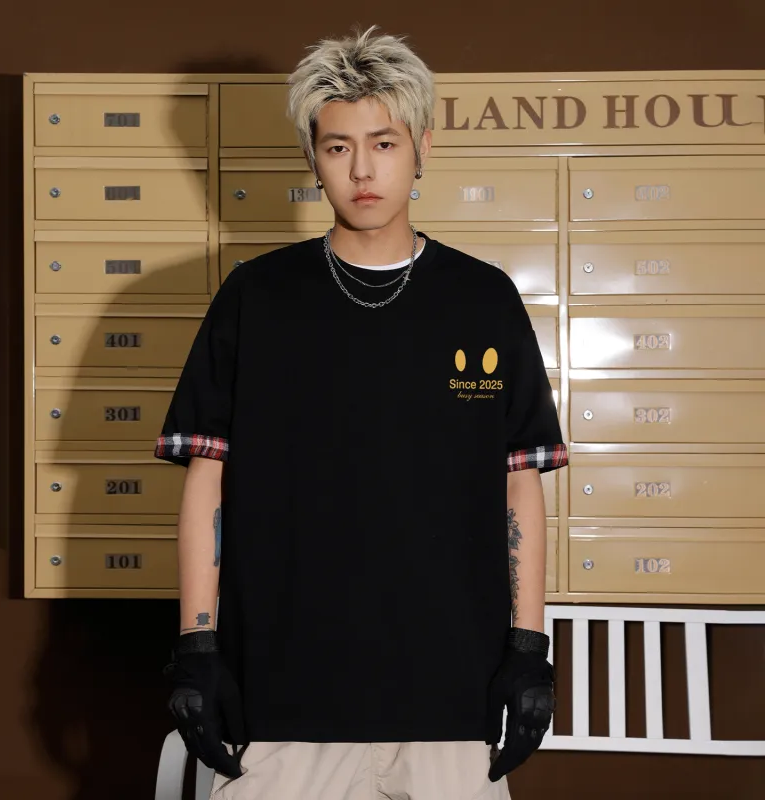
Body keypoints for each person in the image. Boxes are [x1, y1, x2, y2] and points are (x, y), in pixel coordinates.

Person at [156, 24, 567, 800]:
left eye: (384, 143)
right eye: (338, 147)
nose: (363, 169)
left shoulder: (483, 300)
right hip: (284, 697)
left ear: (422, 148)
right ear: (313, 159)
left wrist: (528, 650)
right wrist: (197, 648)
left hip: (453, 696)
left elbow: (519, 482)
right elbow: (208, 478)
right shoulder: (255, 298)